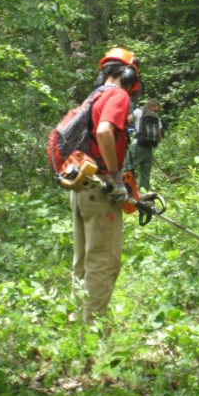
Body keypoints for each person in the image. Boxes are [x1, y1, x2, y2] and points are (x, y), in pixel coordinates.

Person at [71, 47, 140, 324]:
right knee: (102, 261)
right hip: (99, 188)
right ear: (128, 73)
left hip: (81, 186)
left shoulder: (93, 97)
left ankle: (77, 321)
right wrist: (113, 176)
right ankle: (92, 334)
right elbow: (103, 131)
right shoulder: (118, 95)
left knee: (83, 261)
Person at [124, 98, 162, 192]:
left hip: (137, 145)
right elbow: (159, 137)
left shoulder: (138, 111)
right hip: (149, 149)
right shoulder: (157, 118)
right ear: (155, 107)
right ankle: (144, 196)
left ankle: (126, 192)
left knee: (127, 168)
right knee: (145, 175)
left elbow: (127, 120)